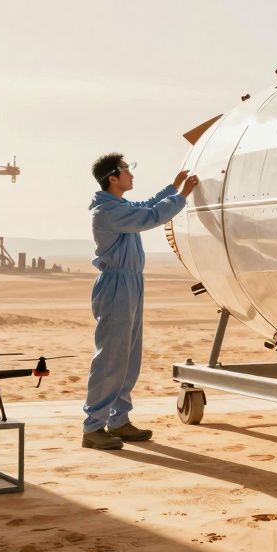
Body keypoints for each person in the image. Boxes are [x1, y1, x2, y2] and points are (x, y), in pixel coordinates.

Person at [82, 153, 198, 450]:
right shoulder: (106, 212)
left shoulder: (119, 205)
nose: (131, 175)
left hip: (132, 283)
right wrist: (182, 196)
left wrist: (171, 189)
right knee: (111, 357)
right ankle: (93, 427)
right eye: (126, 170)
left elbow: (145, 206)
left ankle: (119, 420)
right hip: (116, 285)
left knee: (129, 356)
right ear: (112, 178)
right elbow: (150, 217)